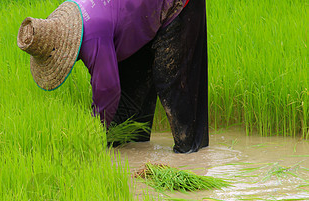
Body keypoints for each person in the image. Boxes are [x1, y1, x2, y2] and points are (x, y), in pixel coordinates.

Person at [17, 0, 208, 153]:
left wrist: (93, 135)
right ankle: (137, 153)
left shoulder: (92, 37)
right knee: (130, 103)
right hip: (137, 12)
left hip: (177, 6)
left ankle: (191, 158)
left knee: (173, 88)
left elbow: (107, 90)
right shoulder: (74, 14)